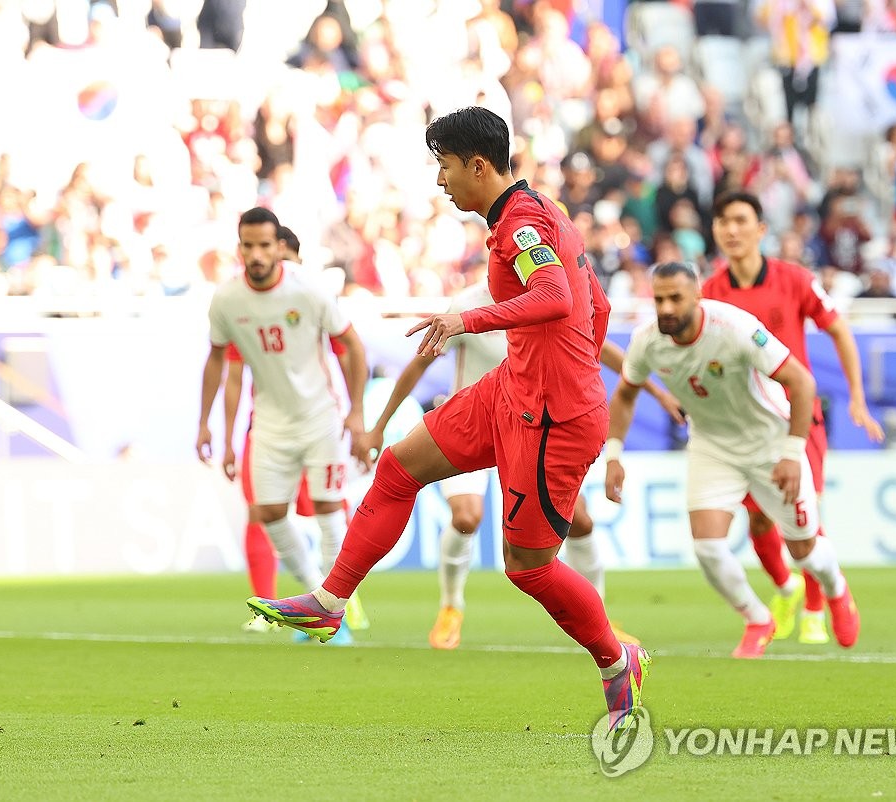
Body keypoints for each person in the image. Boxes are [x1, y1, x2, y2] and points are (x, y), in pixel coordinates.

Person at [247, 106, 650, 732]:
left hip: (555, 418)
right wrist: (562, 355)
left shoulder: (522, 223)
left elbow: (558, 297)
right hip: (513, 389)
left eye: (446, 166)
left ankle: (615, 658)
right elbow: (592, 305)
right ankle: (330, 602)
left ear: (478, 166)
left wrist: (469, 321)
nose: (441, 181)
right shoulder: (537, 213)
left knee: (529, 567)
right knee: (397, 468)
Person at [363, 279, 685, 650]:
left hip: (529, 432)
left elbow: (606, 353)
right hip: (473, 423)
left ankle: (601, 616)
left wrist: (658, 391)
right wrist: (379, 427)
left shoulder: (551, 297)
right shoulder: (467, 302)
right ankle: (451, 607)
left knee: (580, 521)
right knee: (466, 516)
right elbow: (418, 366)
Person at [605, 261, 860, 658]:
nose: (667, 308)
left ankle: (836, 590)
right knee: (707, 546)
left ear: (698, 296)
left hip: (769, 442)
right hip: (712, 445)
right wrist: (614, 454)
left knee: (804, 549)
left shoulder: (736, 328)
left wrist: (793, 453)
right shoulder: (647, 340)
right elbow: (624, 393)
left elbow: (802, 382)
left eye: (676, 298)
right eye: (659, 299)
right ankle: (757, 618)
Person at [705, 191, 884, 645]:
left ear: (761, 230)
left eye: (741, 220)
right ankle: (787, 590)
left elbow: (838, 329)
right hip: (745, 425)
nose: (731, 230)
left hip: (797, 419)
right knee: (761, 523)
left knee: (802, 516)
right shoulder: (710, 294)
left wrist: (857, 397)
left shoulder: (795, 280)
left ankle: (815, 604)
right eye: (723, 221)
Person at [198, 206, 369, 642]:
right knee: (269, 513)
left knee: (330, 509)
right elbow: (218, 360)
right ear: (239, 248)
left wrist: (356, 411)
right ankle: (315, 602)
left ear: (278, 247)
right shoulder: (227, 300)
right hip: (270, 424)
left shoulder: (308, 291)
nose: (256, 254)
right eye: (248, 246)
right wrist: (205, 424)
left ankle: (335, 614)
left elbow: (351, 345)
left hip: (319, 418)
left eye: (264, 245)